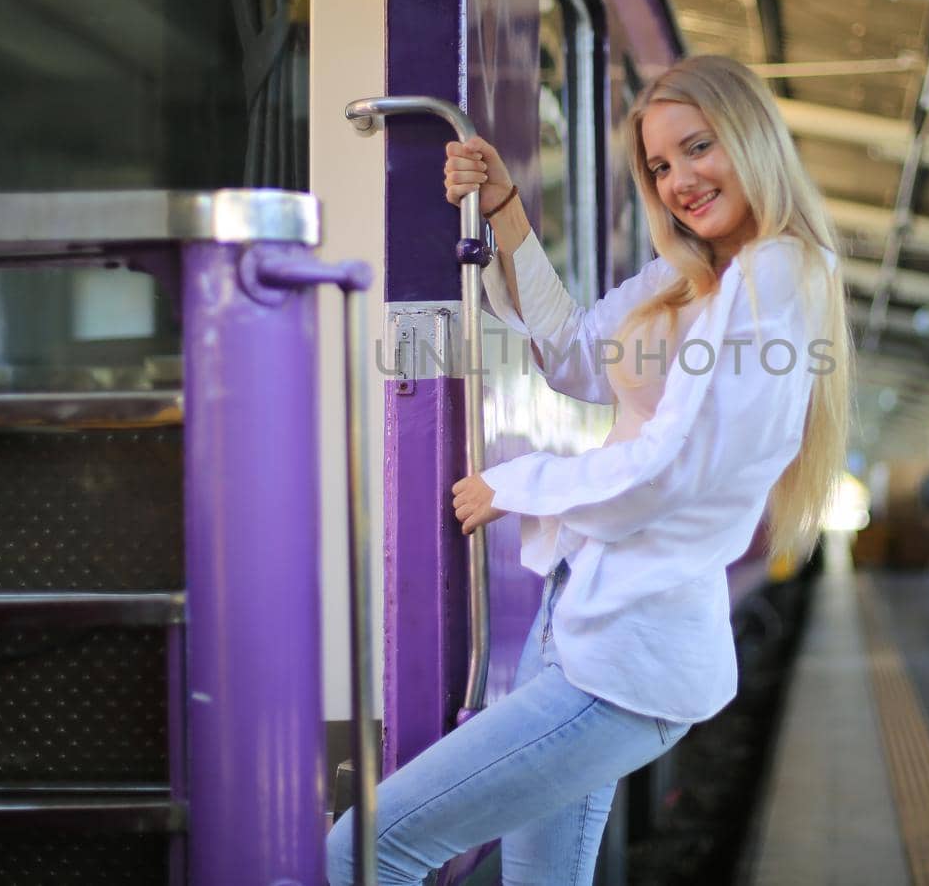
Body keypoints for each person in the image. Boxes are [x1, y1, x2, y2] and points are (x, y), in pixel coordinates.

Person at [327, 54, 851, 885]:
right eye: (660, 165)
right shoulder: (694, 277)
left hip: (627, 653)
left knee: (363, 851)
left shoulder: (774, 273)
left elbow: (674, 467)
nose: (680, 179)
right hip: (580, 622)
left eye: (699, 147)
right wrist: (503, 210)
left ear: (752, 139)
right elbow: (574, 354)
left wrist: (520, 481)